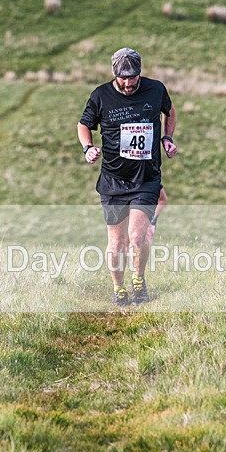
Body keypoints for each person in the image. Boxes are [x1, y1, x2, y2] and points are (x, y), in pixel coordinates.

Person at [77, 47, 177, 306]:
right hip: (113, 181)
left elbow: (170, 111)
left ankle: (139, 280)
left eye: (133, 76)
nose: (129, 82)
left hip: (146, 178)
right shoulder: (101, 96)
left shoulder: (155, 89)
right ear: (114, 73)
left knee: (136, 236)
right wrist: (88, 148)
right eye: (123, 77)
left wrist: (167, 138)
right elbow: (83, 124)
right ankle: (118, 288)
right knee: (116, 244)